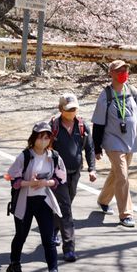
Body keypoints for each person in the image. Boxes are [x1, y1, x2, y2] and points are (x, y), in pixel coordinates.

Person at [91, 59, 137, 228]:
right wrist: (96, 148)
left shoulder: (133, 92)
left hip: (129, 141)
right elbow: (98, 124)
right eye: (119, 71)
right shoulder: (105, 95)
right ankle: (126, 214)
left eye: (125, 70)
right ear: (111, 73)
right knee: (123, 175)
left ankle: (103, 200)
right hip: (112, 141)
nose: (123, 73)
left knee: (117, 174)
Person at [4, 122, 68, 272]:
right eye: (41, 137)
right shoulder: (24, 156)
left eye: (47, 137)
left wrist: (46, 182)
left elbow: (60, 178)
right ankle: (14, 264)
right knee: (21, 235)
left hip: (44, 202)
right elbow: (13, 179)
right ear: (34, 138)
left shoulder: (54, 156)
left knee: (48, 240)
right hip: (25, 202)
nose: (44, 140)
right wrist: (29, 183)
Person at [49, 93, 96, 261]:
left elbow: (89, 148)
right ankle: (69, 248)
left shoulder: (82, 126)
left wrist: (92, 169)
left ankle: (54, 229)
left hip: (75, 172)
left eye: (75, 109)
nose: (72, 112)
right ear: (61, 109)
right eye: (69, 109)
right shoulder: (53, 127)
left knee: (66, 202)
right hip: (57, 175)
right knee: (66, 209)